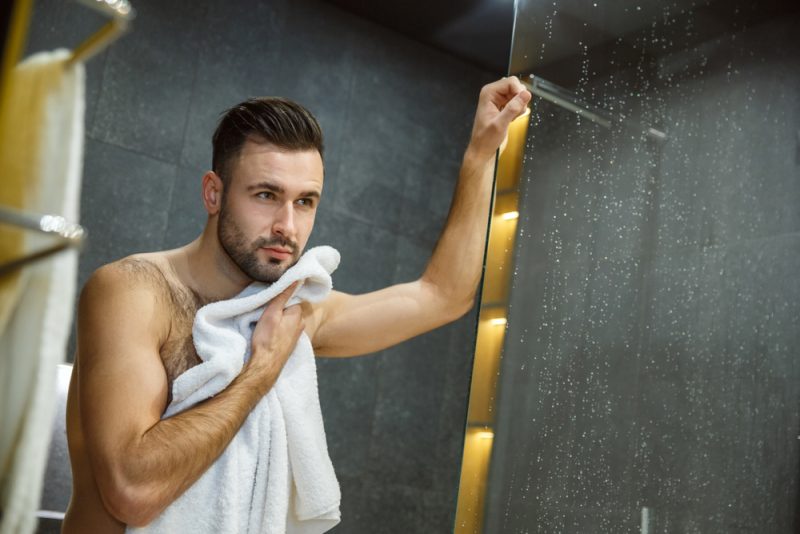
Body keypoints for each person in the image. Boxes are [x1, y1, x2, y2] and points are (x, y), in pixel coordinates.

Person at [62, 76, 531, 532]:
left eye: (306, 202)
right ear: (214, 193)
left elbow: (441, 296)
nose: (288, 225)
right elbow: (132, 491)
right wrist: (261, 370)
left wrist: (480, 154)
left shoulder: (291, 309)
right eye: (267, 195)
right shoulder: (134, 291)